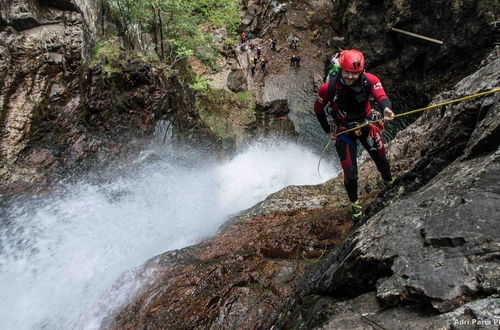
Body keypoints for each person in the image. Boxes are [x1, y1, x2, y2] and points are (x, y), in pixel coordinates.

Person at [313, 49, 395, 222]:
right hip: (344, 130)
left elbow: (381, 96)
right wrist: (328, 131)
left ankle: (389, 182)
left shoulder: (369, 80)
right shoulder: (329, 87)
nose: (350, 76)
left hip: (366, 124)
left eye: (355, 73)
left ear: (362, 71)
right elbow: (318, 110)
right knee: (350, 172)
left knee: (380, 158)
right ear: (341, 69)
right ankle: (355, 204)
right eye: (347, 72)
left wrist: (386, 109)